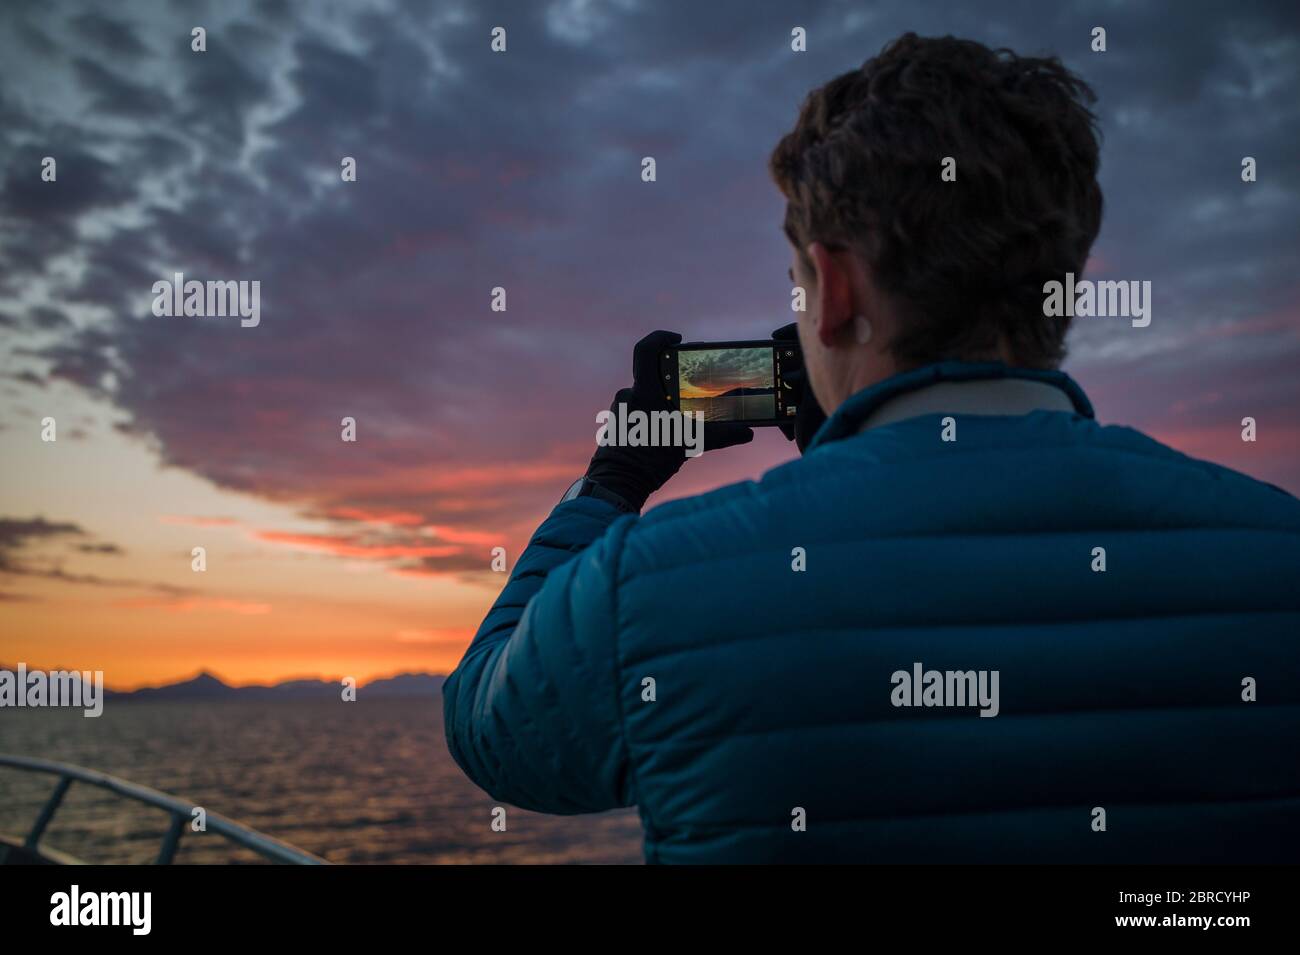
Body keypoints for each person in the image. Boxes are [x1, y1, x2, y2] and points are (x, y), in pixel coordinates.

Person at [442, 33, 1300, 863]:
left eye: (799, 284)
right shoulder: (1275, 551)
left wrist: (616, 475)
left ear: (836, 289)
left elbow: (489, 722)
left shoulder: (650, 588)